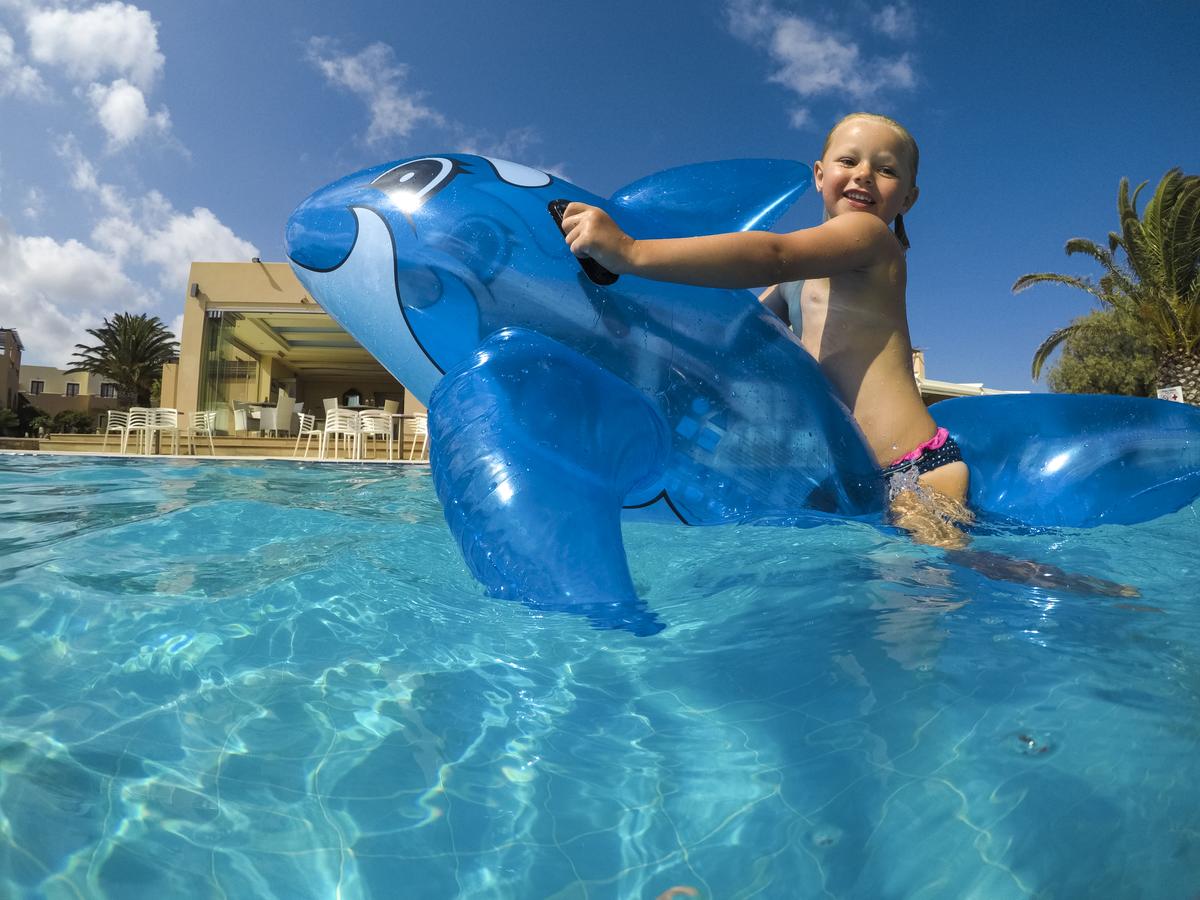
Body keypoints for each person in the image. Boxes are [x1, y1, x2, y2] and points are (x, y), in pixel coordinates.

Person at [560, 112, 971, 546]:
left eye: (886, 170)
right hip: (850, 479)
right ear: (819, 175)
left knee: (924, 580)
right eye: (849, 161)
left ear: (908, 198)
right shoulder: (793, 283)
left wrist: (630, 252)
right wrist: (629, 321)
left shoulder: (872, 238)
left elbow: (773, 254)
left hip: (912, 471)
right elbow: (730, 340)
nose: (864, 175)